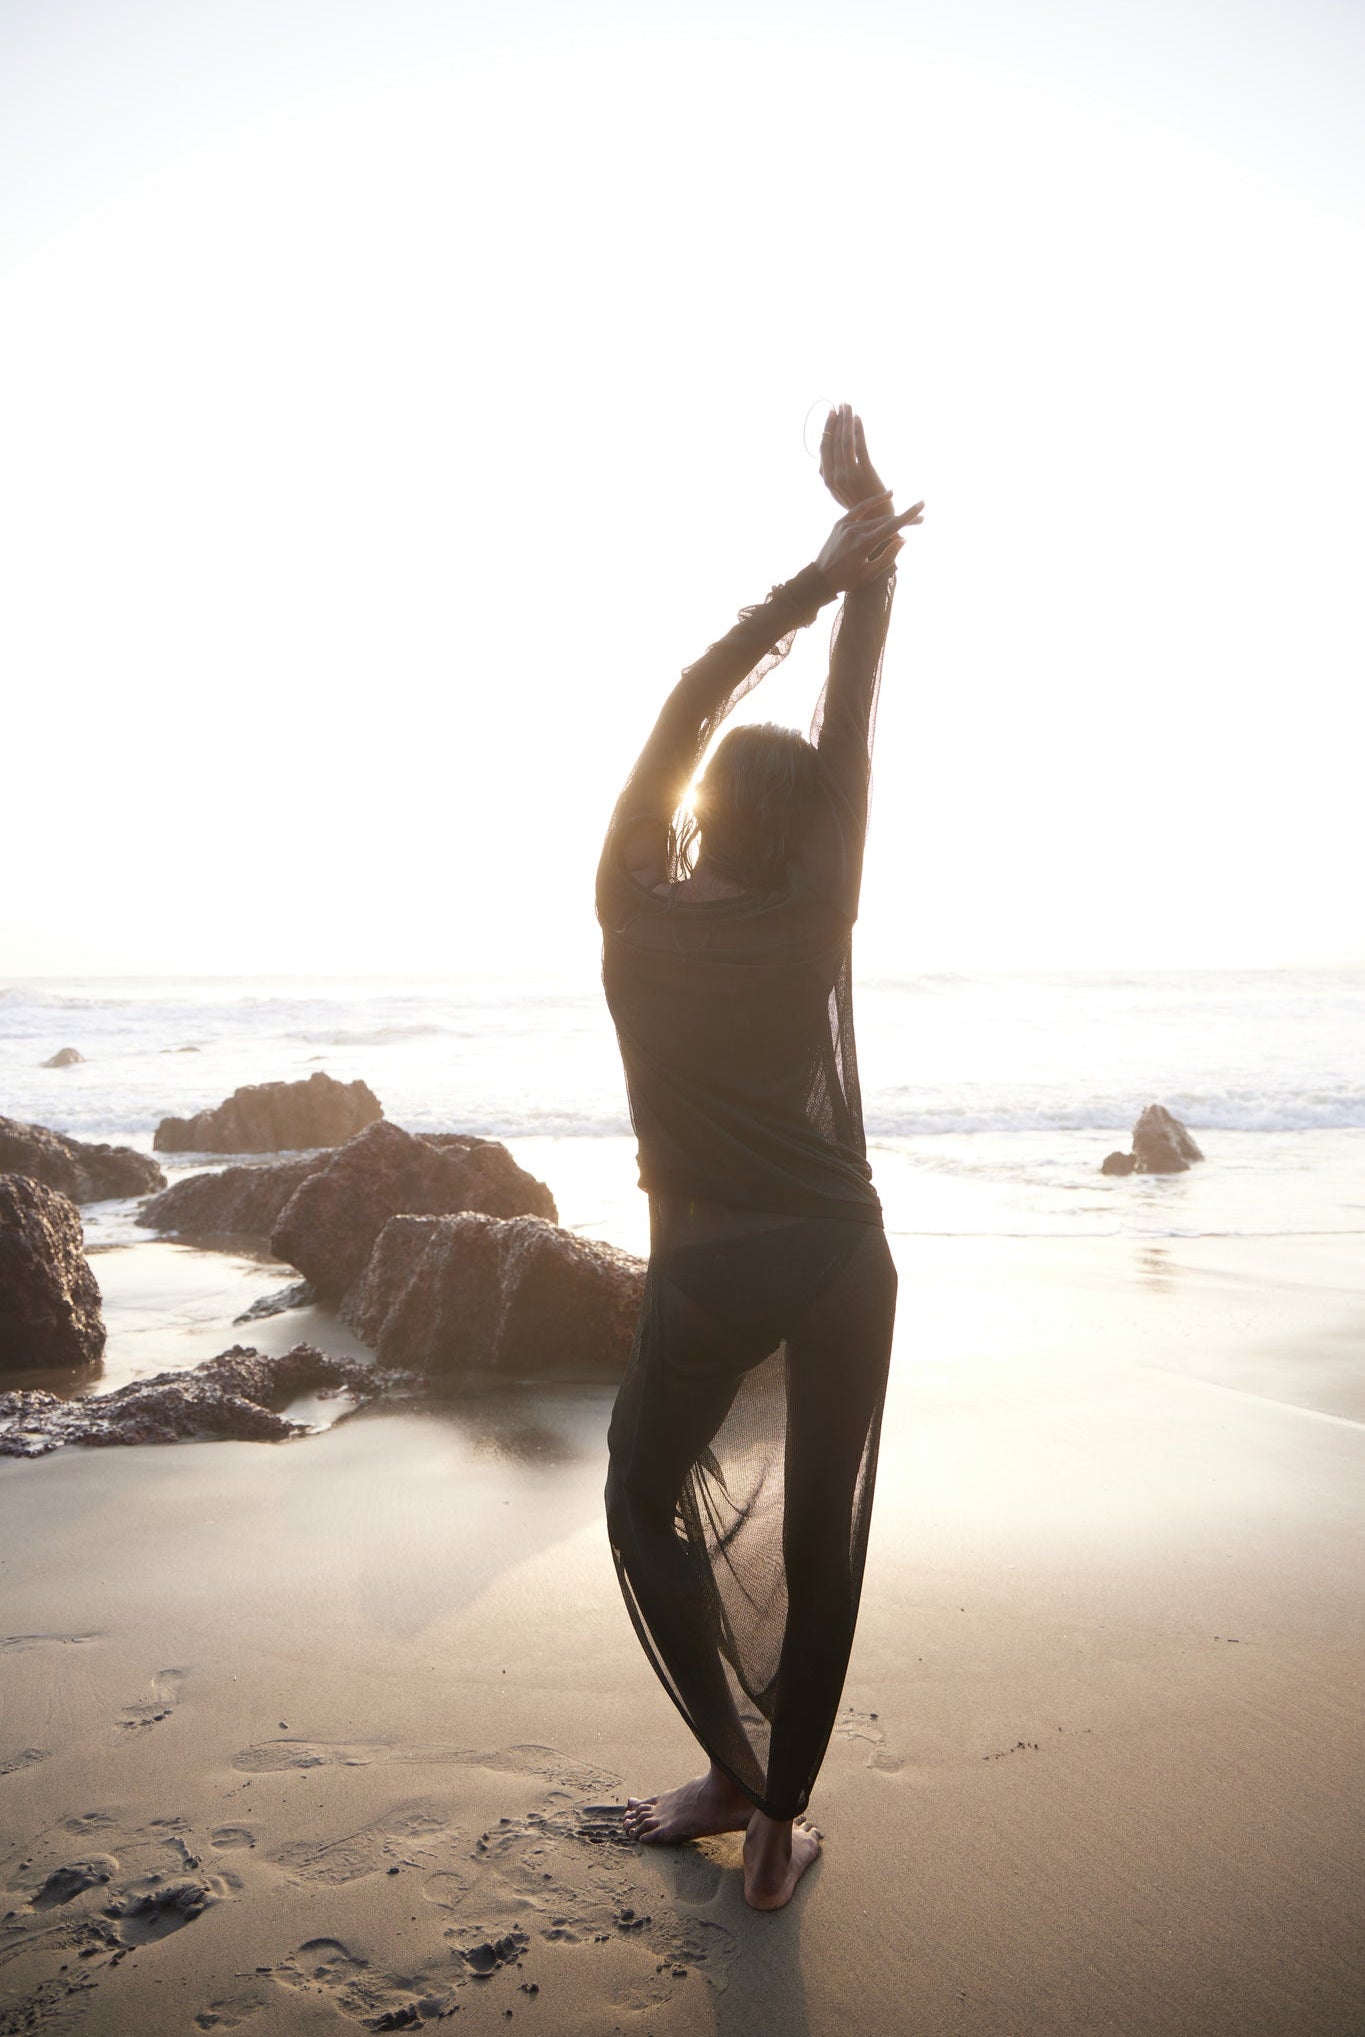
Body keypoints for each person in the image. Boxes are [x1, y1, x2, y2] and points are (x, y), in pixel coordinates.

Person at [595, 406, 923, 1910]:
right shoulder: (816, 909)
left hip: (710, 1262)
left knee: (638, 1495)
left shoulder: (628, 903)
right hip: (843, 1260)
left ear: (696, 813)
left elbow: (684, 699)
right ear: (805, 836)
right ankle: (778, 1819)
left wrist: (810, 574)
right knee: (822, 1536)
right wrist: (870, 569)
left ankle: (735, 1767)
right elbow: (851, 724)